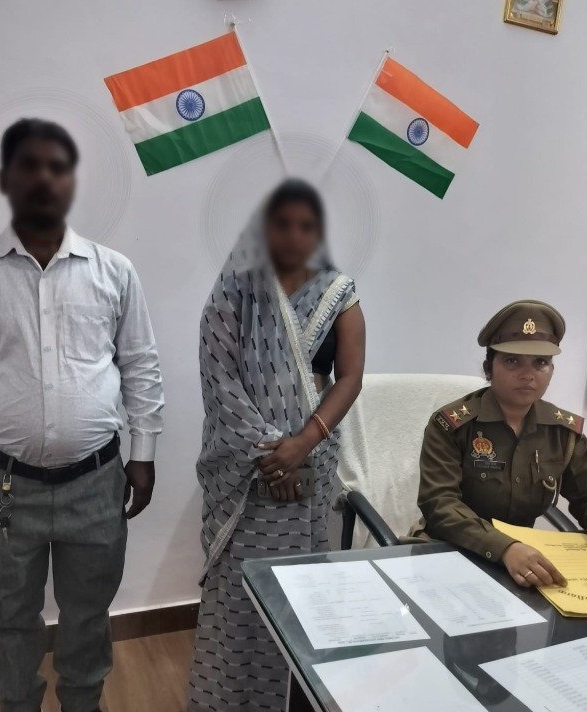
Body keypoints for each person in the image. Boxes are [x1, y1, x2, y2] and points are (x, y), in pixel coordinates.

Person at [0, 118, 164, 712]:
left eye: (58, 167)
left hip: (97, 482)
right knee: (9, 617)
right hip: (3, 486)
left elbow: (140, 367)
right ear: (6, 178)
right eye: (29, 165)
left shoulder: (113, 270)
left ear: (71, 181)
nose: (44, 178)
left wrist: (144, 454)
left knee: (89, 614)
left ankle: (83, 703)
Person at [188, 179, 366, 710]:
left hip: (311, 466)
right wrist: (273, 452)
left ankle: (292, 700)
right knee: (239, 595)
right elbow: (218, 379)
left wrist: (302, 446)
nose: (293, 236)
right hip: (246, 470)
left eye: (306, 226)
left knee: (297, 594)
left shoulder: (340, 293)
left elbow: (350, 378)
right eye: (282, 224)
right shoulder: (234, 289)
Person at [418, 300, 587, 588]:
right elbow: (439, 505)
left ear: (552, 369)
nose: (527, 374)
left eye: (540, 362)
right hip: (451, 553)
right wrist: (505, 548)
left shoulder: (562, 431)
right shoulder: (451, 426)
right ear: (489, 367)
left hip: (523, 563)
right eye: (512, 361)